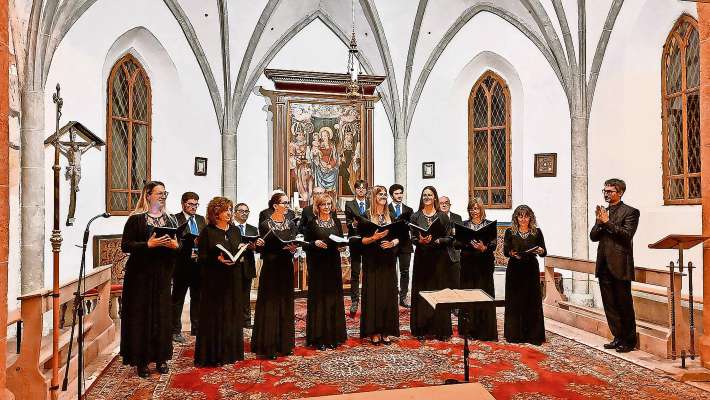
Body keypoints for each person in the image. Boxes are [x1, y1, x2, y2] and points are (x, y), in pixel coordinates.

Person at [120, 181, 179, 378]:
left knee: (162, 316)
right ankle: (141, 360)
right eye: (159, 193)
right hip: (140, 276)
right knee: (142, 317)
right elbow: (126, 246)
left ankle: (161, 358)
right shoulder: (136, 220)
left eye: (165, 193)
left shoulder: (170, 220)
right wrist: (148, 244)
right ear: (147, 195)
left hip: (162, 275)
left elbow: (178, 247)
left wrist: (175, 247)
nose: (163, 196)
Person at [195, 197, 250, 366]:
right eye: (226, 209)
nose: (229, 212)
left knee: (232, 314)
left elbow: (236, 249)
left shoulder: (234, 231)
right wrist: (216, 259)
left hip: (233, 278)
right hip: (214, 280)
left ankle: (231, 353)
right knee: (216, 316)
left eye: (230, 209)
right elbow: (201, 258)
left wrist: (240, 254)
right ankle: (214, 355)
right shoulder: (207, 232)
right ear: (215, 213)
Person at [590, 178, 640, 353]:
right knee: (609, 304)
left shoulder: (631, 212)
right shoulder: (604, 211)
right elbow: (593, 236)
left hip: (620, 264)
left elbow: (626, 235)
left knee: (624, 304)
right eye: (604, 191)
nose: (606, 194)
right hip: (603, 264)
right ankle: (617, 337)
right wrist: (600, 221)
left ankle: (629, 340)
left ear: (620, 192)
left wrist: (607, 223)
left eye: (610, 191)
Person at [252, 192, 299, 359]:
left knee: (285, 303)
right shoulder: (266, 224)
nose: (287, 206)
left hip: (285, 265)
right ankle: (268, 345)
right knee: (270, 303)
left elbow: (294, 241)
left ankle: (285, 344)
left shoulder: (292, 224)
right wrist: (261, 245)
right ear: (275, 205)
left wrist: (294, 248)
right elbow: (263, 247)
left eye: (287, 203)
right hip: (271, 266)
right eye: (284, 203)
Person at [302, 193, 347, 350]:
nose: (327, 207)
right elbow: (305, 244)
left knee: (333, 297)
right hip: (318, 265)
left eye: (329, 204)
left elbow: (341, 240)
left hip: (333, 263)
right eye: (323, 204)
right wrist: (315, 243)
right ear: (318, 206)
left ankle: (334, 335)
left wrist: (343, 245)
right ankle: (319, 337)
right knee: (320, 299)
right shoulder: (312, 223)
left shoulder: (336, 221)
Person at [357, 185, 401, 345]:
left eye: (384, 194)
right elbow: (360, 241)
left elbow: (400, 237)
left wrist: (392, 242)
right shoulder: (365, 216)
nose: (383, 196)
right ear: (373, 197)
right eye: (380, 194)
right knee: (374, 295)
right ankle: (374, 331)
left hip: (388, 261)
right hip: (372, 261)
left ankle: (386, 331)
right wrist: (374, 238)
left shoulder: (392, 216)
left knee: (387, 295)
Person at [409, 186, 453, 340]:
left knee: (439, 291)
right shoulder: (415, 216)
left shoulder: (443, 217)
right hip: (422, 259)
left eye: (430, 194)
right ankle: (421, 328)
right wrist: (419, 240)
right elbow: (412, 238)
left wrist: (438, 240)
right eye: (424, 195)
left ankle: (440, 329)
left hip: (439, 259)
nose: (427, 197)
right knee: (423, 292)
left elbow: (450, 238)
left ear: (435, 197)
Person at [503, 205, 547, 345]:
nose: (523, 219)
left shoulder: (537, 232)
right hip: (515, 269)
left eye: (526, 216)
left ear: (530, 217)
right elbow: (505, 251)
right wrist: (511, 253)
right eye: (520, 216)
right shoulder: (510, 232)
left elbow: (544, 251)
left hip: (530, 269)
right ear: (516, 217)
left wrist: (540, 250)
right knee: (515, 301)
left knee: (532, 301)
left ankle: (533, 335)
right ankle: (515, 335)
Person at [455, 198, 498, 341]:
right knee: (468, 294)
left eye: (476, 208)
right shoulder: (464, 225)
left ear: (481, 210)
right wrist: (468, 244)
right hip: (468, 264)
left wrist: (484, 248)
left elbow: (493, 243)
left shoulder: (489, 225)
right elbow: (456, 243)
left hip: (484, 264)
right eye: (471, 209)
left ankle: (485, 329)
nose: (474, 211)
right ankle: (469, 329)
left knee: (484, 293)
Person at [172, 192, 206, 343]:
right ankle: (175, 330)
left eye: (196, 204)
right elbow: (173, 241)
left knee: (197, 298)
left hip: (198, 265)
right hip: (181, 265)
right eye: (190, 204)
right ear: (183, 204)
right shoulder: (175, 219)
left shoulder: (200, 220)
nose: (193, 207)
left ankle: (197, 328)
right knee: (178, 298)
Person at [344, 179, 369, 316]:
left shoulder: (371, 203)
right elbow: (349, 222)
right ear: (355, 190)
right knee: (355, 272)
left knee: (368, 271)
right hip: (355, 241)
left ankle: (368, 298)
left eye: (363, 188)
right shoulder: (349, 204)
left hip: (369, 241)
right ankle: (354, 301)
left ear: (366, 190)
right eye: (358, 188)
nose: (361, 190)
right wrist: (353, 224)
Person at [233, 202, 259, 328]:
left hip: (247, 264)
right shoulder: (230, 227)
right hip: (233, 264)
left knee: (246, 293)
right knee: (233, 292)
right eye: (241, 211)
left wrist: (254, 247)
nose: (244, 213)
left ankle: (246, 320)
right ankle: (234, 319)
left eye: (246, 211)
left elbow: (257, 248)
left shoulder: (253, 229)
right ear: (235, 213)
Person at [388, 184, 414, 308]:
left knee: (405, 271)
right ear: (391, 195)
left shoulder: (409, 210)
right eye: (397, 193)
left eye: (401, 193)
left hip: (405, 244)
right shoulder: (386, 209)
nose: (399, 195)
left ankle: (403, 297)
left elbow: (411, 227)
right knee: (391, 271)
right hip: (391, 243)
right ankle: (392, 295)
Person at [439, 196, 463, 290]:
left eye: (446, 202)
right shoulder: (435, 217)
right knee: (441, 286)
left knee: (455, 285)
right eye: (441, 203)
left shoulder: (457, 217)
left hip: (454, 256)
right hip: (439, 255)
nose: (444, 204)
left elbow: (460, 236)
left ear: (450, 204)